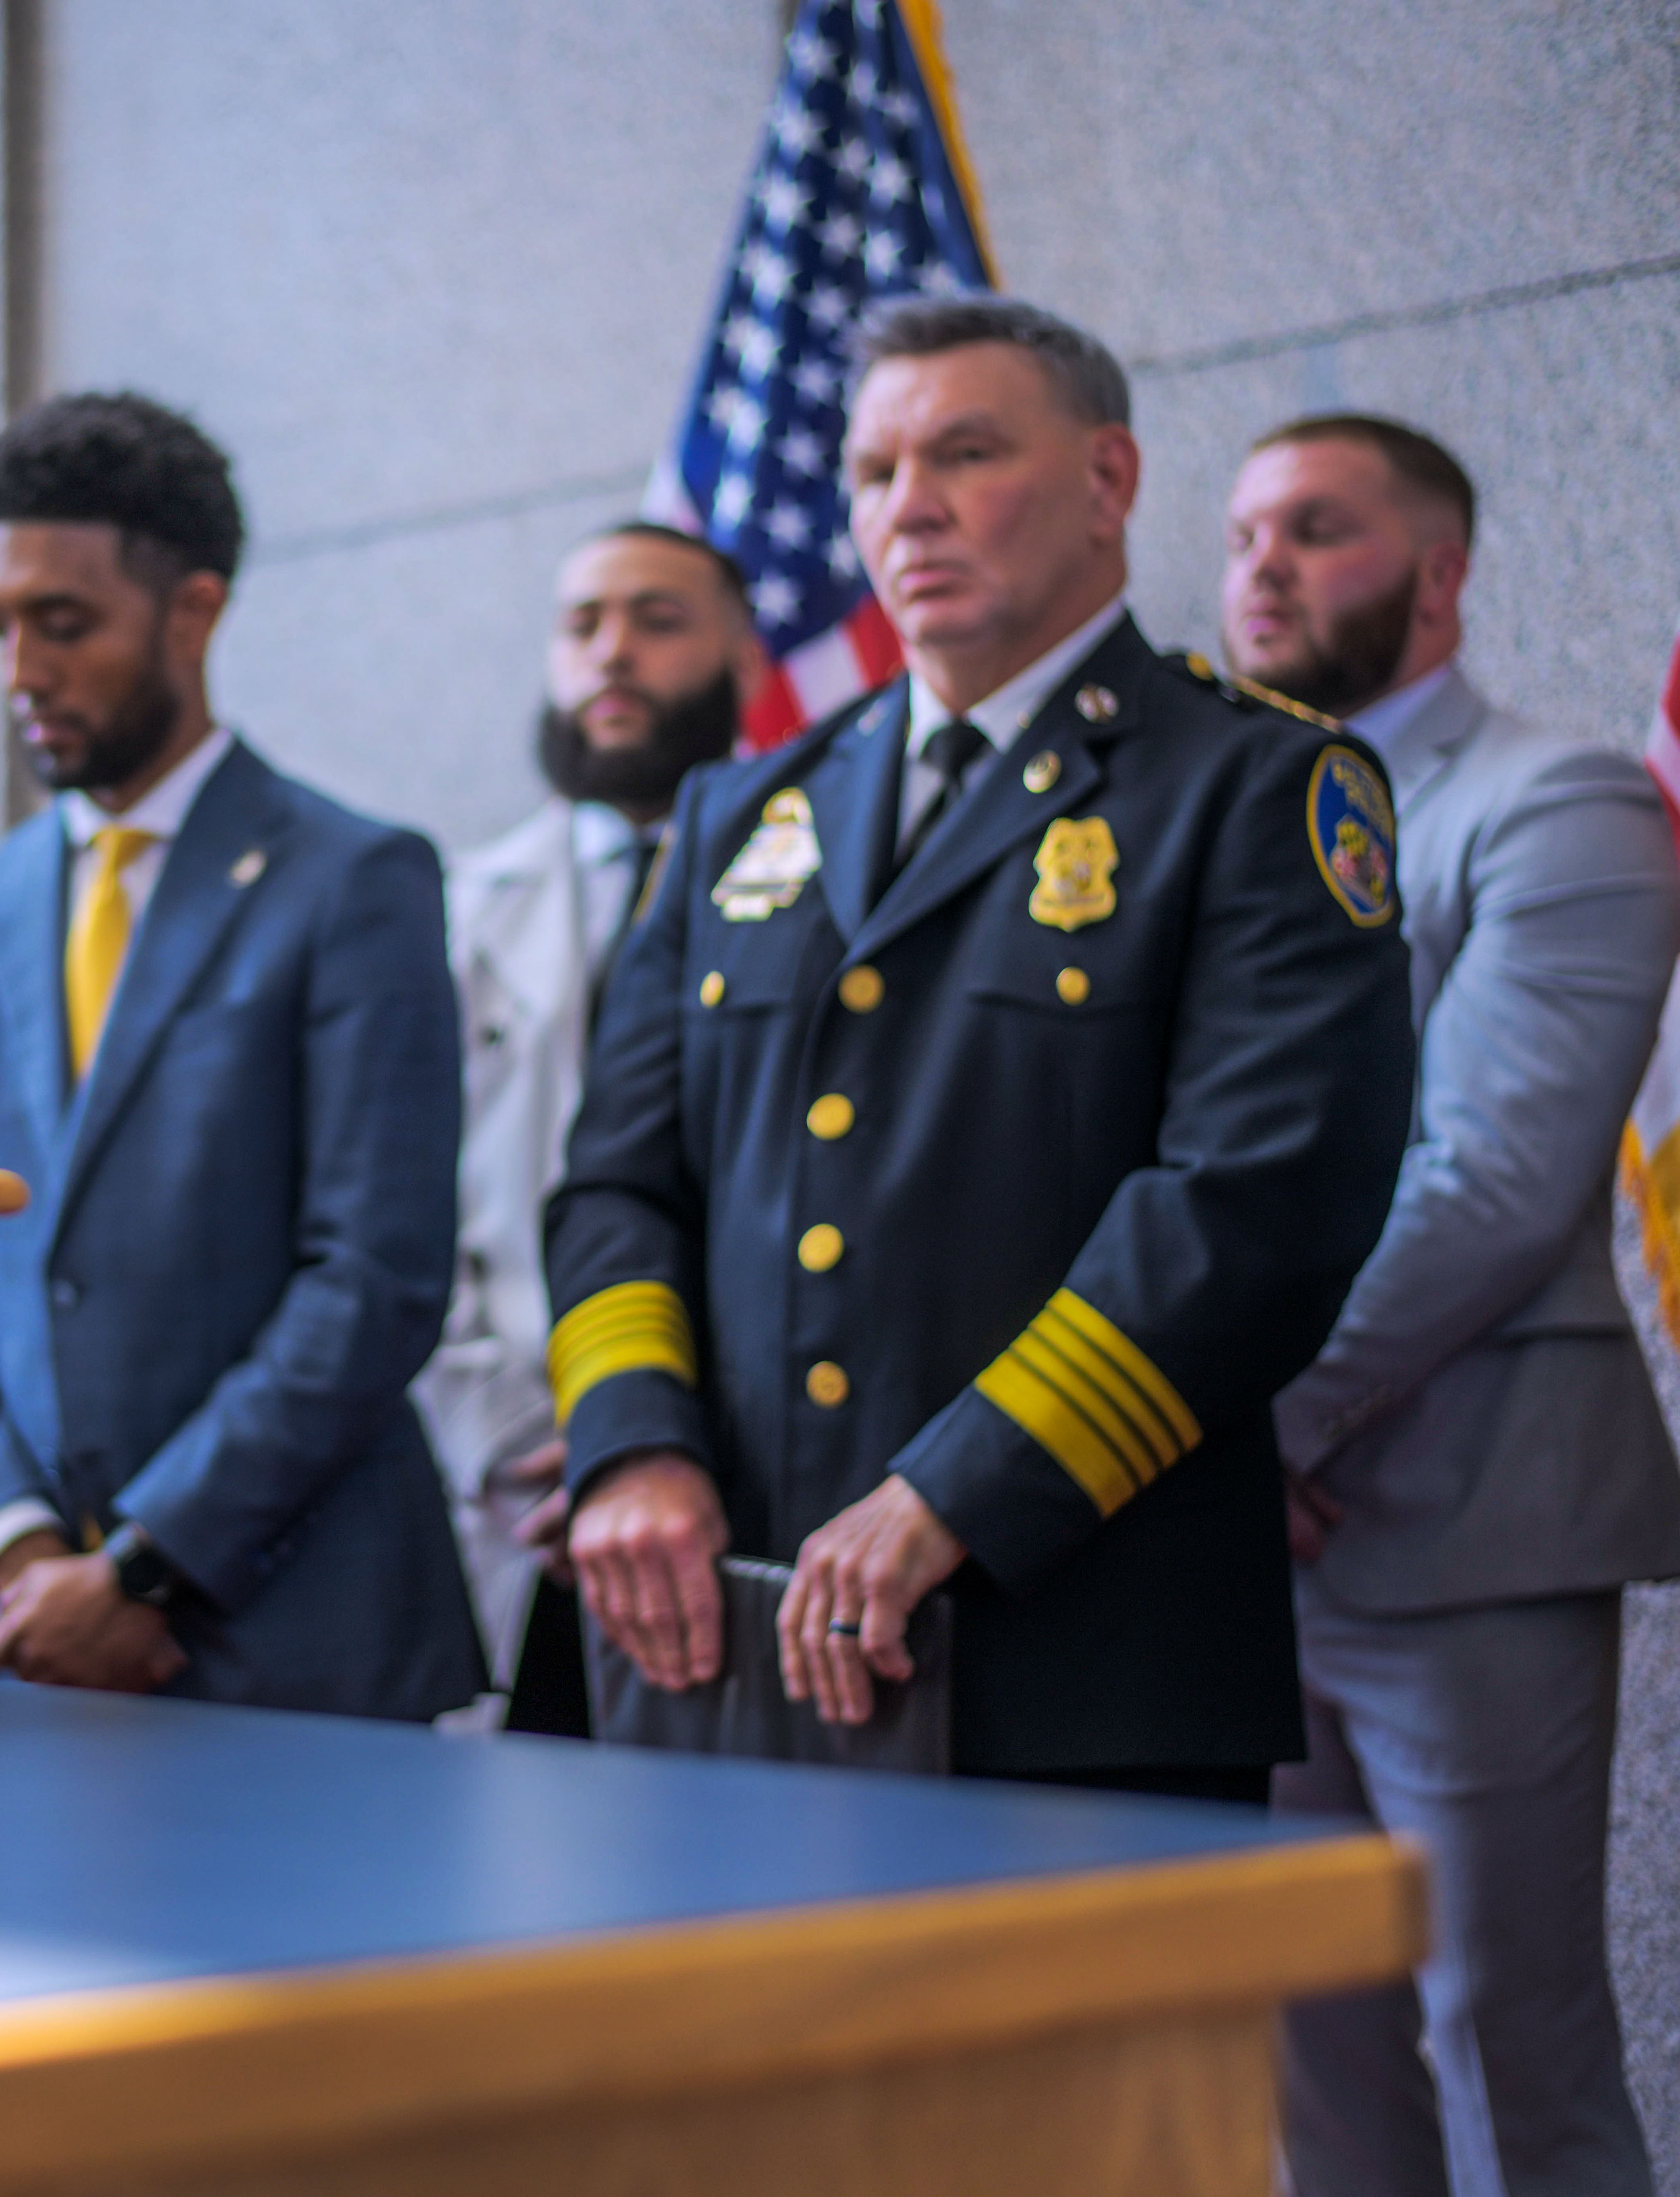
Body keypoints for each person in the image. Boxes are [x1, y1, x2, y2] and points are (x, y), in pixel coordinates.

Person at [546, 296, 1416, 1798]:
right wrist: (632, 1445)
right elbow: (615, 1180)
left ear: (1109, 481)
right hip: (742, 1629)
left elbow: (1260, 1203)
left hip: (1072, 1639)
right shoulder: (741, 811)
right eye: (876, 470)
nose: (911, 506)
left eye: (965, 451)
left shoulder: (1256, 781)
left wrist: (956, 1491)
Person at [1222, 414, 1680, 2197]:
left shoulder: (1552, 798)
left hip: (1467, 1506)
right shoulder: (1206, 822)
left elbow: (1490, 1175)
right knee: (1305, 2048)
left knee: (1508, 2036)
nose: (1262, 564)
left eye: (1318, 530)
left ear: (1441, 571)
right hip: (1231, 1547)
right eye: (1246, 530)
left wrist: (1240, 1421)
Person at [0, 391, 483, 1721]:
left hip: (301, 1650)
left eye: (65, 624)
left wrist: (147, 1574)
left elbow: (377, 1279)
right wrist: (19, 1551)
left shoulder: (354, 882)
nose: (21, 672)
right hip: (33, 1644)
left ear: (195, 613)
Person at [411, 522, 767, 1732]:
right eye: (583, 625)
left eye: (659, 621)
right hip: (516, 1484)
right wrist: (538, 1434)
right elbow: (408, 1213)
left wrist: (653, 1430)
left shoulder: (835, 894)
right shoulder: (458, 913)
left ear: (750, 661)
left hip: (738, 1472)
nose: (613, 654)